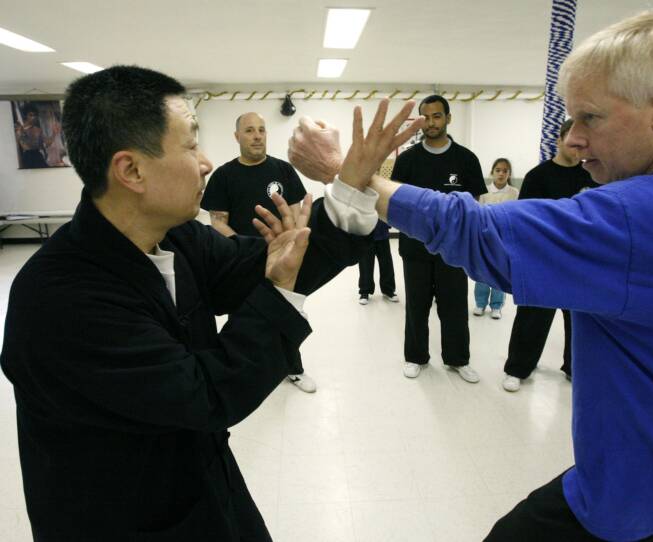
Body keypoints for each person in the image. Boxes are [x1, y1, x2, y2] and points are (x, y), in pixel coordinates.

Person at [288, 8, 653, 541]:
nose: (572, 140)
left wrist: (347, 171)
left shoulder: (640, 216)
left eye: (589, 119)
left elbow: (477, 231)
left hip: (648, 508)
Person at [0, 65, 386, 542]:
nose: (205, 162)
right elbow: (205, 394)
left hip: (203, 483)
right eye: (190, 146)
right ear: (131, 170)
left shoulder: (176, 236)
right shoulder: (60, 298)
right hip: (122, 519)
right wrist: (280, 292)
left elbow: (261, 262)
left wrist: (348, 190)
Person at [201, 112, 316, 393]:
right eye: (250, 130)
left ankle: (293, 368)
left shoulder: (283, 171)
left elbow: (292, 213)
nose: (257, 136)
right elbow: (218, 222)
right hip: (239, 260)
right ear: (237, 136)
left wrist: (286, 245)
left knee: (286, 311)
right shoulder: (224, 176)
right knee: (243, 317)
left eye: (261, 130)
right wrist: (248, 248)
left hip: (281, 260)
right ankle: (247, 373)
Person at [391, 94, 486, 382]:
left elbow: (475, 204)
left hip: (453, 249)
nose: (431, 122)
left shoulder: (466, 159)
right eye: (426, 117)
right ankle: (415, 357)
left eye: (437, 116)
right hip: (415, 247)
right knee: (417, 305)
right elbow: (394, 201)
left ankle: (458, 359)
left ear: (447, 118)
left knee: (455, 305)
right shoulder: (407, 160)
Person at [502, 118, 598, 392]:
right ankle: (518, 368)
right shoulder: (538, 176)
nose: (578, 145)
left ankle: (574, 368)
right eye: (573, 139)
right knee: (532, 318)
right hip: (543, 260)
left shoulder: (591, 176)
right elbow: (524, 219)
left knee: (579, 320)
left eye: (584, 141)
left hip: (580, 262)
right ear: (559, 140)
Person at [473, 157, 518, 320]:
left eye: (505, 171)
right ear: (492, 172)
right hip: (485, 237)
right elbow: (478, 214)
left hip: (504, 239)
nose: (501, 174)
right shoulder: (483, 191)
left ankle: (496, 306)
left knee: (499, 272)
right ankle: (480, 303)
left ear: (509, 173)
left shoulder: (514, 193)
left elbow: (515, 216)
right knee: (482, 271)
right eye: (498, 170)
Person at [357, 219, 399, 304]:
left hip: (382, 230)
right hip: (365, 232)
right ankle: (365, 291)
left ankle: (388, 290)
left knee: (386, 262)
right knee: (365, 264)